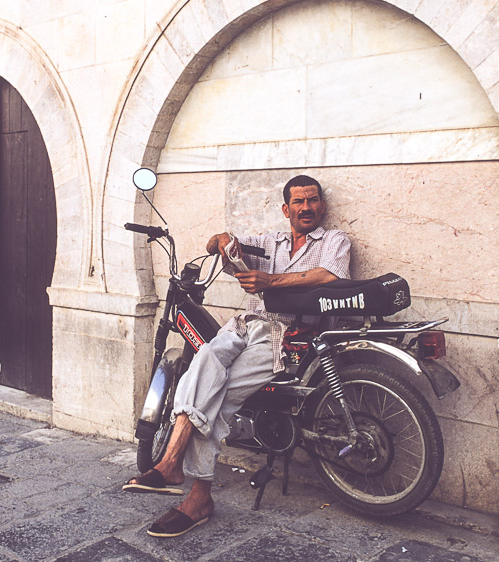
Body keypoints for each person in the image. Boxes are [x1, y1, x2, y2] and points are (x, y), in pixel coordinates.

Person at [123, 175, 351, 537]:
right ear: (286, 209)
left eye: (312, 201)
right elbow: (226, 245)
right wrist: (223, 240)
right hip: (244, 325)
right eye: (298, 202)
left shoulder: (334, 240)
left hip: (284, 335)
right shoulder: (271, 242)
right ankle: (170, 465)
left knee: (219, 395)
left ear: (321, 206)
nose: (306, 207)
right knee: (204, 359)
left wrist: (270, 282)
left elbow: (329, 276)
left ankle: (194, 492)